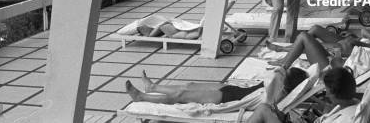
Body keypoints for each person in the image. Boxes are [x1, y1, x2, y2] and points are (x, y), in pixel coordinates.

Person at [266, 18, 370, 71]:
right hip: (338, 50)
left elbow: (346, 63)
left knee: (304, 38)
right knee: (313, 30)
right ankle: (284, 57)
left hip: (331, 63)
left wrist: (335, 55)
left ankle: (283, 61)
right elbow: (361, 36)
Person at [125, 68, 307, 105]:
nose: (283, 74)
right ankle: (153, 87)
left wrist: (279, 76)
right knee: (190, 84)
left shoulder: (279, 95)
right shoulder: (280, 84)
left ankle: (142, 97)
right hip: (232, 88)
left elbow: (268, 100)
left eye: (286, 75)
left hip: (231, 98)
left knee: (182, 94)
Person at [247, 67, 359, 123]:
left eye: (327, 91)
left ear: (335, 92)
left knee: (263, 110)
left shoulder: (344, 118)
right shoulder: (353, 103)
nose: (327, 95)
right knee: (268, 109)